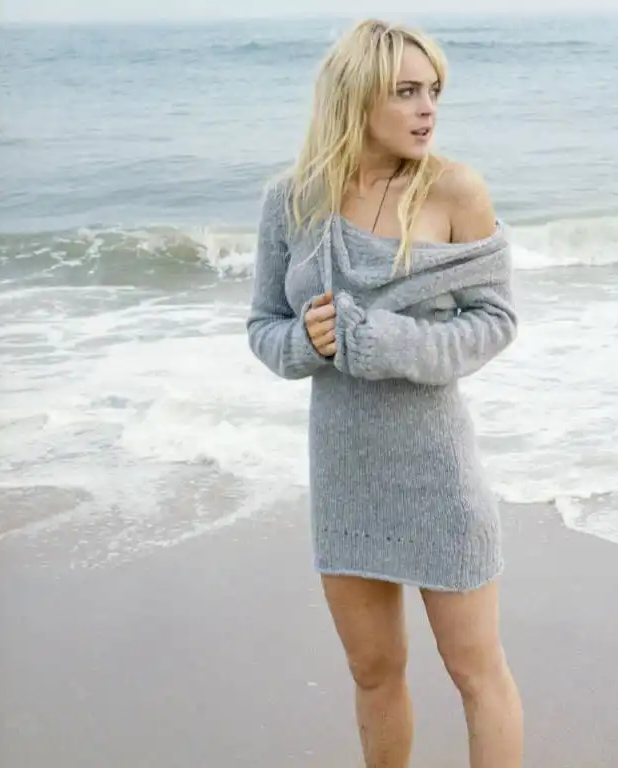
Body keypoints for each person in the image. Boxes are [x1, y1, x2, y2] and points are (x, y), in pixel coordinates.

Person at [245, 17, 523, 768]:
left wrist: (386, 342)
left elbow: (494, 322)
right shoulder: (291, 202)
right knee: (372, 671)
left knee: (475, 673)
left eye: (433, 91)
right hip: (345, 472)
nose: (427, 108)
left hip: (437, 471)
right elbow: (265, 327)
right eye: (406, 92)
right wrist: (308, 343)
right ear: (356, 97)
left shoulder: (456, 191)